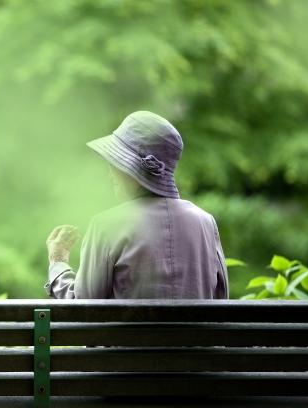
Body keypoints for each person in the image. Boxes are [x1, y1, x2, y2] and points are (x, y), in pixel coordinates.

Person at [44, 111, 228, 299]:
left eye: (115, 162)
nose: (110, 173)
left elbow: (83, 308)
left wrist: (57, 263)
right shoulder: (206, 223)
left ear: (132, 169)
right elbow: (221, 302)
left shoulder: (106, 225)